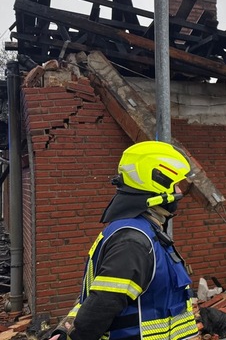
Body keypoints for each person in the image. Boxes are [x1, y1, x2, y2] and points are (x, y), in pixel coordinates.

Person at [50, 141, 199, 340]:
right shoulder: (133, 242)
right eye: (176, 185)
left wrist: (66, 329)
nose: (180, 192)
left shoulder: (145, 232)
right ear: (158, 183)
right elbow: (101, 305)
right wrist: (68, 335)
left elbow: (99, 298)